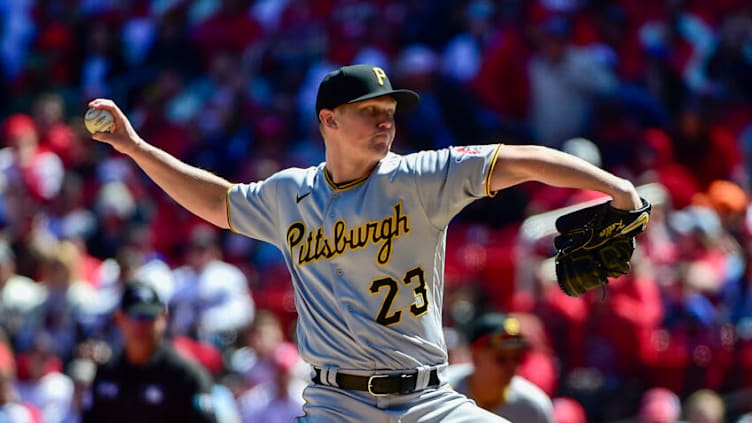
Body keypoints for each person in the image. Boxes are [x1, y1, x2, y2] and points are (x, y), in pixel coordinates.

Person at [87, 63, 643, 422]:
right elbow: (214, 199)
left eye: (390, 112)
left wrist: (615, 188)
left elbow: (518, 159)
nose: (385, 121)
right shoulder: (290, 194)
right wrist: (136, 147)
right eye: (369, 112)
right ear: (328, 120)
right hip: (336, 403)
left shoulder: (420, 177)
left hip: (429, 399)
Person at [82, 281, 217, 422]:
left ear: (164, 318)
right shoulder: (107, 371)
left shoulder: (186, 376)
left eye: (149, 317)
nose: (141, 325)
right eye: (134, 316)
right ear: (119, 319)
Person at [447, 313, 555, 423]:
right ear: (475, 356)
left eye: (516, 358)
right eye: (501, 358)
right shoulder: (442, 390)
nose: (511, 367)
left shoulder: (534, 407)